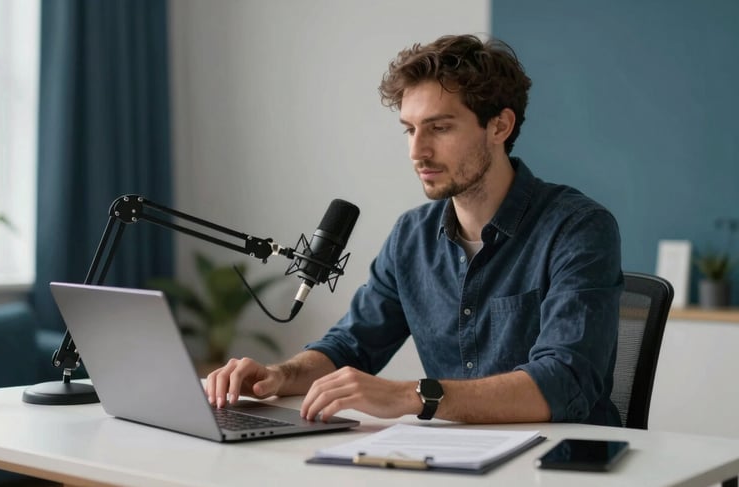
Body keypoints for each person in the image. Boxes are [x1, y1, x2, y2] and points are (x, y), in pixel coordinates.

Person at [206, 34, 623, 426]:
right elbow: (351, 346)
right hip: (456, 459)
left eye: (439, 128)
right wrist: (277, 376)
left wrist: (415, 396)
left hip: (562, 464)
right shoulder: (412, 236)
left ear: (499, 126)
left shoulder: (578, 228)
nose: (417, 151)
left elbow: (564, 381)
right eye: (410, 129)